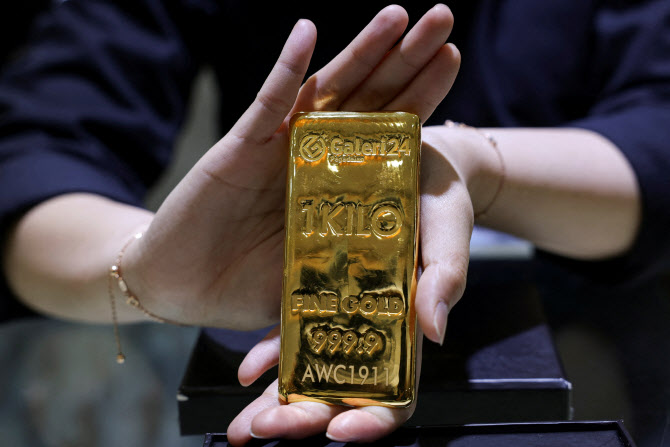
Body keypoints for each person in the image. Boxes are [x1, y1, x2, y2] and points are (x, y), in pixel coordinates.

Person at [0, 1, 668, 445]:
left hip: (598, 334)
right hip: (274, 305)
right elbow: (40, 144)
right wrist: (143, 267)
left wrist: (475, 165)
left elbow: (658, 124)